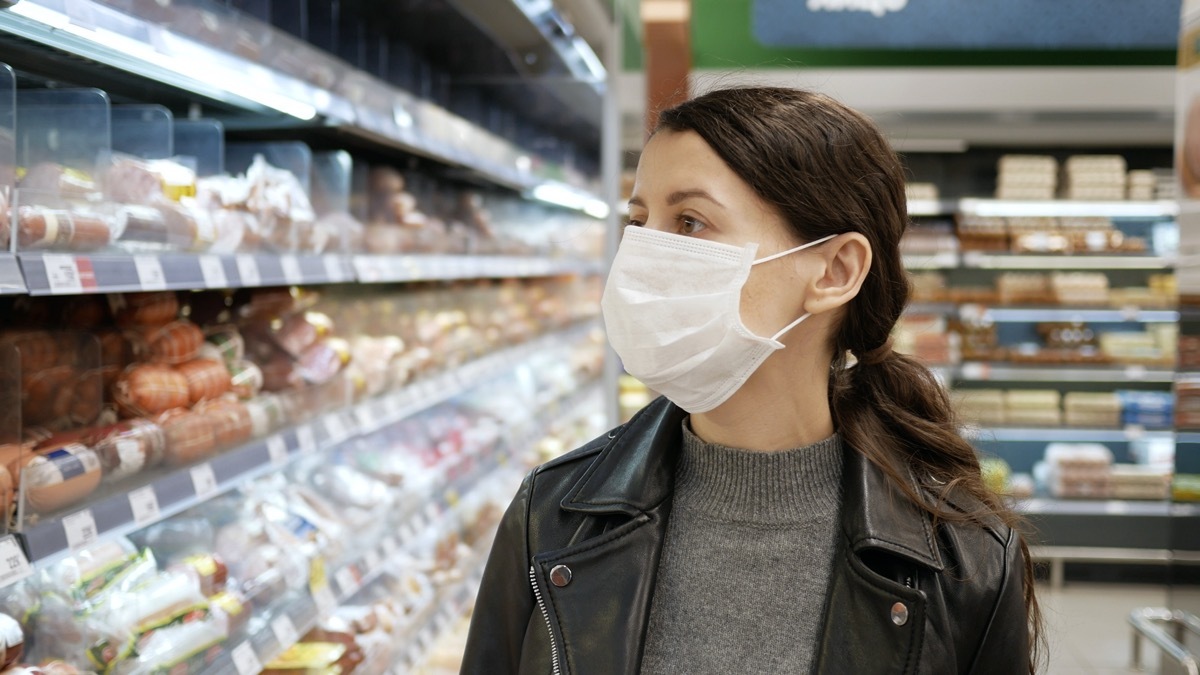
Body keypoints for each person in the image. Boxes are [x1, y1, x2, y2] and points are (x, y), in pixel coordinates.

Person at [461, 86, 1041, 675]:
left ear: (836, 271)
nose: (642, 257)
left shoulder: (965, 562)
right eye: (638, 222)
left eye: (690, 222)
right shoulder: (552, 516)